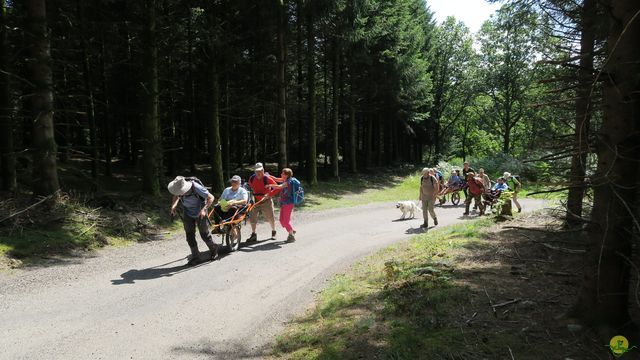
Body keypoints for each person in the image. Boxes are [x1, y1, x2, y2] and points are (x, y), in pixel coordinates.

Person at [169, 176, 219, 266]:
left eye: (180, 192)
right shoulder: (178, 189)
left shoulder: (196, 187)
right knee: (189, 235)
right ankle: (196, 257)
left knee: (204, 234)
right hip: (187, 212)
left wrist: (204, 210)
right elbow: (176, 196)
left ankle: (213, 248)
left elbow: (211, 197)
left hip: (200, 212)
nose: (179, 193)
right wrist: (174, 205)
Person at [247, 162, 278, 242]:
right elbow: (249, 186)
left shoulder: (267, 178)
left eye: (260, 171)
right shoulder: (252, 178)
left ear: (263, 170)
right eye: (257, 171)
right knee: (252, 218)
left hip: (266, 201)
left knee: (270, 217)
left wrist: (269, 195)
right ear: (254, 171)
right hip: (255, 201)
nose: (258, 173)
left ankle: (274, 231)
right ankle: (253, 234)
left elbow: (277, 187)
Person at [268, 168, 297, 243]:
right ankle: (291, 230)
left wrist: (269, 185)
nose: (281, 174)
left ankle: (291, 236)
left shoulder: (288, 182)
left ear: (286, 175)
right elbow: (276, 179)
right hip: (284, 203)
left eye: (283, 173)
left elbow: (279, 187)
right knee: (281, 220)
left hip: (288, 203)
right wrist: (268, 175)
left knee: (286, 221)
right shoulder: (284, 179)